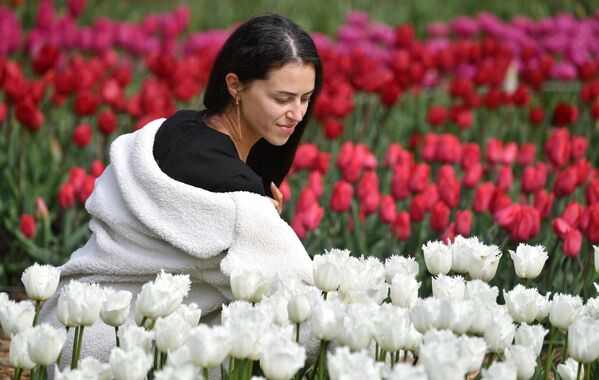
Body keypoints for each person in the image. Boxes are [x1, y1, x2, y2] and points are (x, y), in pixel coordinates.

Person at [41, 13, 323, 370]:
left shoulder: (176, 129)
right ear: (235, 85)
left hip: (65, 321)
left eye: (306, 98)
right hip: (114, 348)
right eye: (283, 98)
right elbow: (304, 302)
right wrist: (263, 222)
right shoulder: (237, 196)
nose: (297, 113)